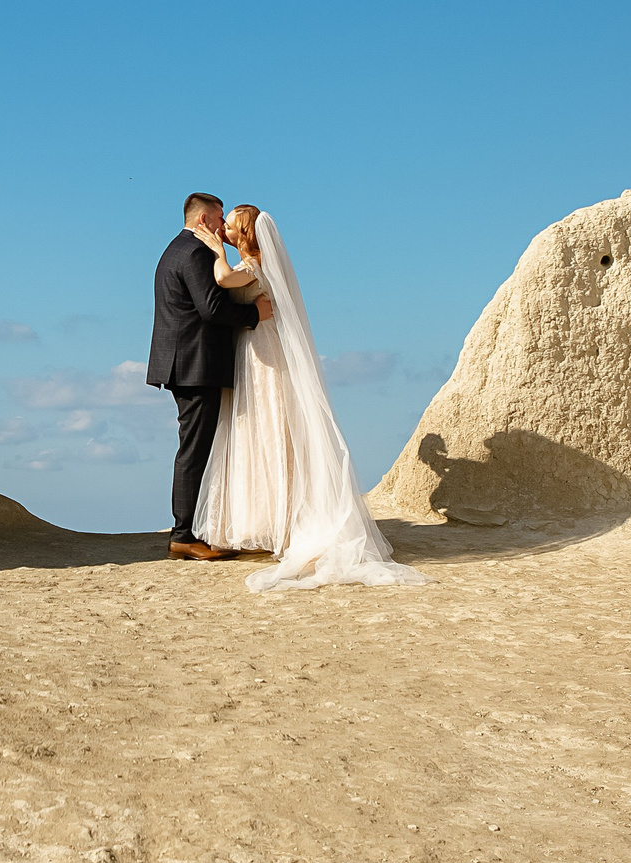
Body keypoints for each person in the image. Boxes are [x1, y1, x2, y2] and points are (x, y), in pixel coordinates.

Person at [191, 205, 426, 591]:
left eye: (230, 227)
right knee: (255, 431)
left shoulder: (254, 265)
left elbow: (223, 278)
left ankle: (280, 523)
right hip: (251, 349)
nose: (225, 231)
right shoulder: (255, 264)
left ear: (244, 232)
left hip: (262, 352)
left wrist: (216, 250)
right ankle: (263, 521)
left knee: (270, 426)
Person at [145, 192, 272, 559]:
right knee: (194, 451)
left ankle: (192, 530)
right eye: (219, 219)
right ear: (204, 220)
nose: (222, 229)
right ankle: (183, 535)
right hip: (196, 365)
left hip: (182, 363)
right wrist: (254, 315)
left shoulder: (175, 249)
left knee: (194, 447)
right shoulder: (197, 252)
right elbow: (211, 308)